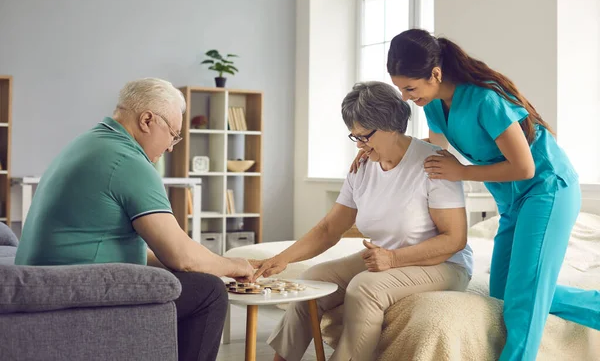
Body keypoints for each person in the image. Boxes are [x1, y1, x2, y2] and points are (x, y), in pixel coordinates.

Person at [351, 28, 600, 361]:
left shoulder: (486, 99)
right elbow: (429, 153)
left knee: (523, 301)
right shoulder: (435, 106)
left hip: (547, 190)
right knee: (504, 292)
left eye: (410, 88)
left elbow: (525, 168)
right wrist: (376, 146)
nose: (407, 98)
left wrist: (464, 172)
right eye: (401, 89)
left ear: (435, 74)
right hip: (512, 201)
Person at [15, 77, 254, 361]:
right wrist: (232, 265)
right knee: (209, 292)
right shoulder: (129, 161)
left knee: (191, 278)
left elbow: (146, 250)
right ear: (147, 120)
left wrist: (205, 263)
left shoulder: (90, 142)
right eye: (173, 135)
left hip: (45, 283)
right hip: (73, 289)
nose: (171, 147)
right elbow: (182, 256)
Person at [251, 81, 473, 361]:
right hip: (387, 255)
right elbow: (330, 228)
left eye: (365, 136)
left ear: (392, 126)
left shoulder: (433, 164)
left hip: (443, 263)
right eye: (354, 136)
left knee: (365, 287)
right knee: (311, 281)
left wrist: (393, 260)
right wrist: (282, 259)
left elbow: (454, 240)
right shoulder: (363, 165)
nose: (359, 144)